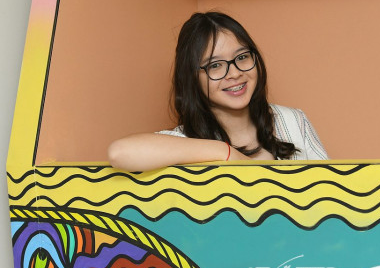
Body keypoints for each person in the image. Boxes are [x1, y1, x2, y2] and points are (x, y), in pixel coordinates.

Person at [108, 11, 328, 171]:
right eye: (215, 65)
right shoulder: (184, 140)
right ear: (192, 77)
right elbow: (120, 153)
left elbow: (331, 197)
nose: (234, 73)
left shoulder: (293, 121)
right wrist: (226, 153)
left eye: (242, 57)